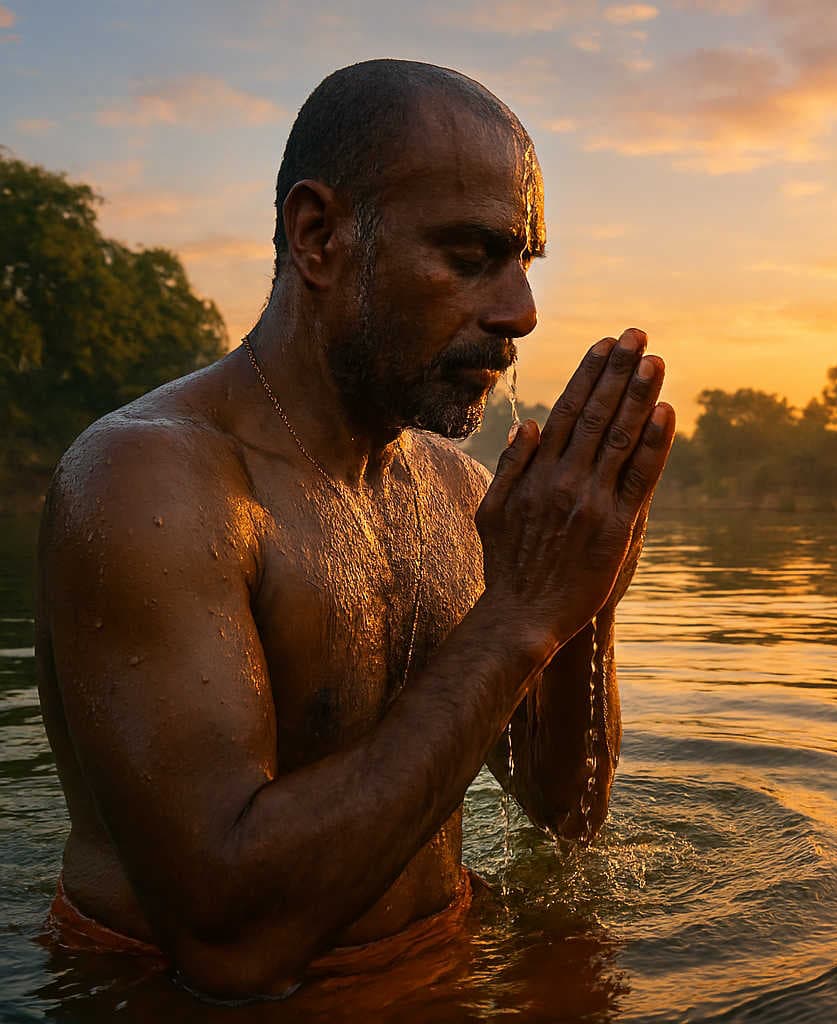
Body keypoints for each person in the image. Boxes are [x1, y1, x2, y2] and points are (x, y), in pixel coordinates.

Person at [32, 59, 673, 999]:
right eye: (469, 258)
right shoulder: (151, 479)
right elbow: (231, 943)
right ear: (319, 236)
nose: (520, 313)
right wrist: (521, 613)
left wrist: (586, 588)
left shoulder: (457, 493)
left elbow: (563, 814)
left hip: (441, 973)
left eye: (524, 263)